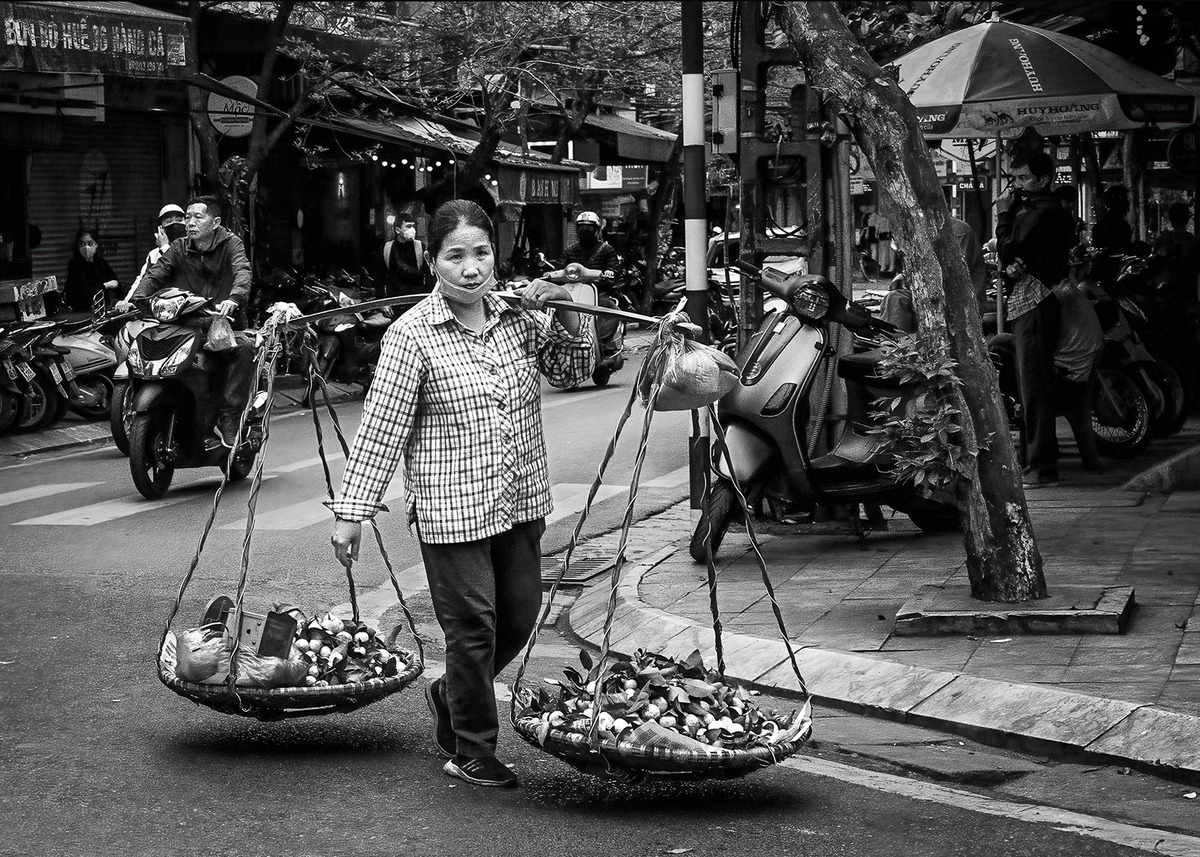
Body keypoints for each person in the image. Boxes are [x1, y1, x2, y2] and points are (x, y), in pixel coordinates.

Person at [328, 199, 592, 788]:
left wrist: (568, 311)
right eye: (456, 256)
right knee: (473, 628)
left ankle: (450, 693)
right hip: (452, 510)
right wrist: (351, 514)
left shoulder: (520, 316)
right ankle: (472, 747)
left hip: (520, 500)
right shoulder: (411, 336)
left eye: (481, 254)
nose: (471, 269)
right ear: (433, 263)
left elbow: (574, 368)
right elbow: (381, 428)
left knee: (519, 620)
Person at [119, 195, 255, 449]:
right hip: (184, 324)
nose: (189, 222)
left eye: (197, 217)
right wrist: (135, 299)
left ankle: (230, 416)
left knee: (244, 349)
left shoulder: (232, 244)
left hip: (220, 326)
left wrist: (234, 298)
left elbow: (242, 271)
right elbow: (156, 273)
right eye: (188, 217)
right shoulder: (179, 247)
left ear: (214, 222)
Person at [996, 150, 1077, 489]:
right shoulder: (1034, 208)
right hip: (1030, 299)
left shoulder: (1043, 212)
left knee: (1035, 384)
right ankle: (1031, 459)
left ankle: (1042, 464)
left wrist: (1003, 216)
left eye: (1023, 178)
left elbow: (1010, 246)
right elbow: (1012, 255)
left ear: (1043, 180)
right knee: (1026, 382)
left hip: (1038, 302)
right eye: (1014, 179)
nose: (1017, 186)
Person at [1051, 245, 1104, 472]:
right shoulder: (1071, 291)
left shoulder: (1061, 294)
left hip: (1070, 377)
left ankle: (1038, 457)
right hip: (1081, 373)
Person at [123, 204, 187, 302]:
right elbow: (142, 280)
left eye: (179, 220)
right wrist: (127, 301)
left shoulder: (193, 249)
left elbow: (182, 271)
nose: (174, 224)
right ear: (160, 228)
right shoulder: (154, 254)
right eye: (169, 221)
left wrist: (165, 248)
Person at [62, 228, 119, 313]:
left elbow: (115, 282)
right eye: (82, 244)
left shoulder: (101, 263)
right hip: (82, 312)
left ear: (96, 245)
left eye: (90, 243)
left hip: (103, 309)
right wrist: (105, 285)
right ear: (78, 246)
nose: (86, 247)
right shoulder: (74, 266)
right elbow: (84, 293)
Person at [378, 212, 427, 299]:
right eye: (408, 226)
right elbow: (379, 276)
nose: (412, 230)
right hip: (394, 301)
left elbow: (429, 275)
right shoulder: (387, 248)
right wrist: (383, 302)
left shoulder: (420, 247)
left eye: (413, 226)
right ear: (397, 230)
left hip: (416, 301)